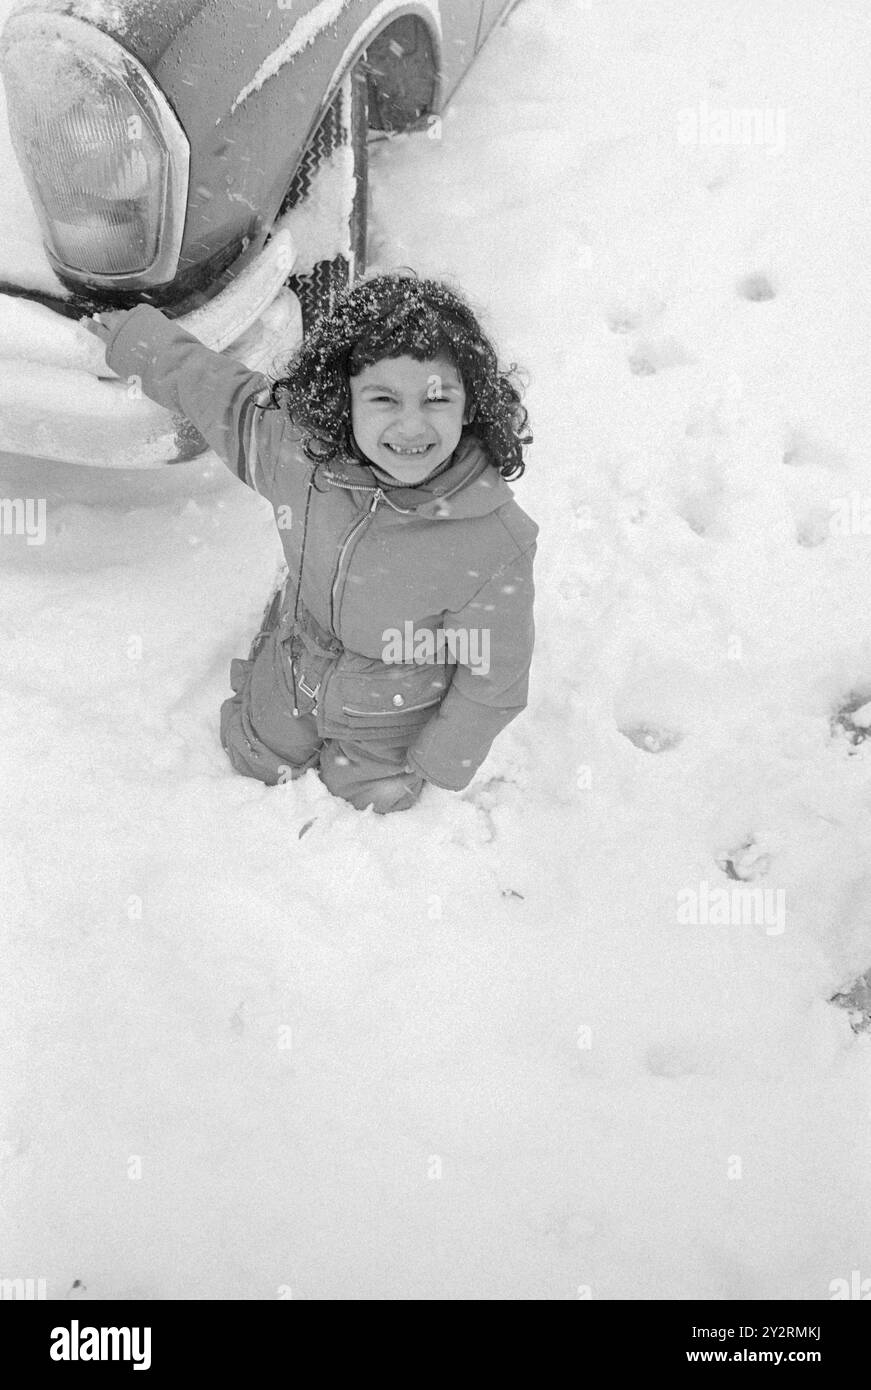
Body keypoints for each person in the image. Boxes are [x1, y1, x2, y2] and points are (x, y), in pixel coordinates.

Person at [86, 271, 538, 814]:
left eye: (437, 399)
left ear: (470, 405)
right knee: (250, 757)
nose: (411, 425)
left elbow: (495, 679)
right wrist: (140, 341)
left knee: (374, 803)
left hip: (392, 706)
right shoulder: (301, 459)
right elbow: (222, 396)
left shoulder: (491, 544)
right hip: (299, 663)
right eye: (383, 398)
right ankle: (280, 633)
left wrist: (441, 758)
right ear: (343, 398)